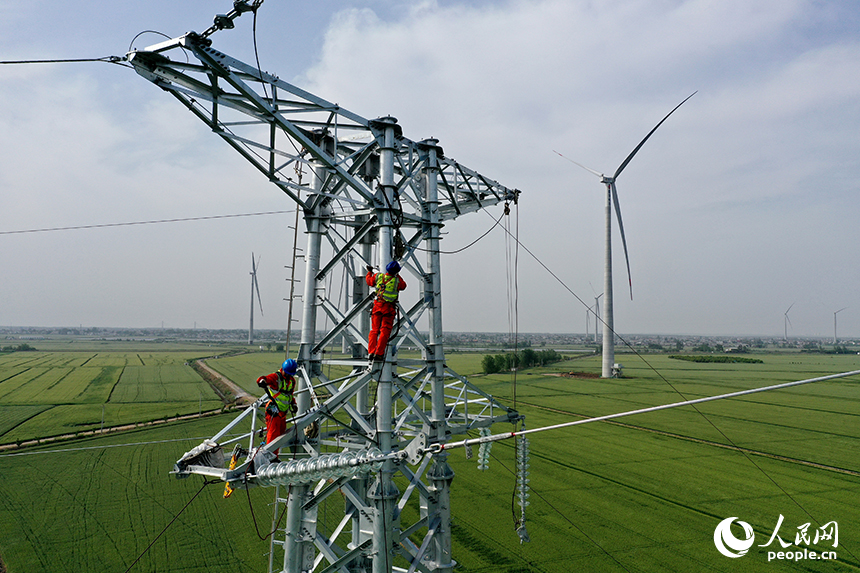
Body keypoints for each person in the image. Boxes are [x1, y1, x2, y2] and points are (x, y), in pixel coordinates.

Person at [366, 261, 407, 363]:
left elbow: (369, 282)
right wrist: (398, 275)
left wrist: (369, 272)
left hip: (377, 306)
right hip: (388, 309)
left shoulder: (379, 276)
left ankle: (371, 352)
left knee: (374, 330)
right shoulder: (397, 281)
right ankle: (379, 354)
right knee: (385, 331)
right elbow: (403, 286)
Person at [256, 359, 298, 455]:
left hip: (282, 413)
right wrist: (261, 381)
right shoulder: (276, 377)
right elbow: (264, 379)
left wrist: (293, 404)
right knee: (273, 437)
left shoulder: (291, 380)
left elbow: (290, 394)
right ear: (283, 369)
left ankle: (274, 456)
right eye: (287, 373)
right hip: (274, 412)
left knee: (281, 434)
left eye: (290, 374)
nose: (289, 375)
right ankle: (270, 458)